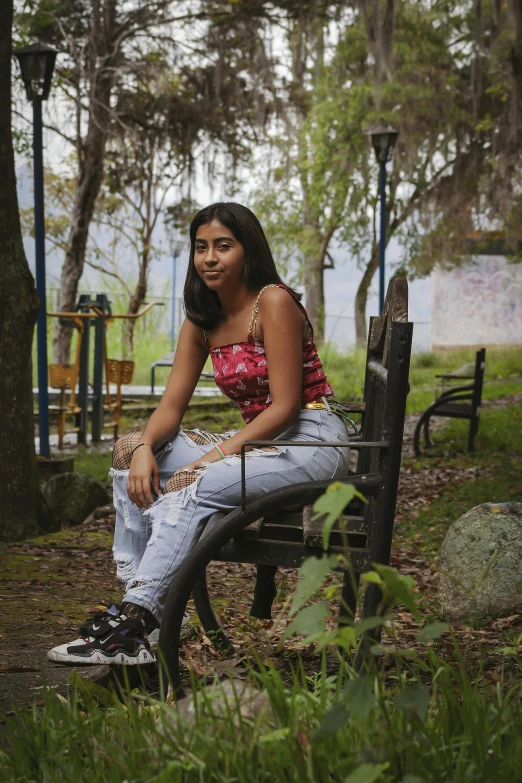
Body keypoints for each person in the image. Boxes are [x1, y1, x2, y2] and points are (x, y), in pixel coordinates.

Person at [48, 202, 350, 666]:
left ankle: (135, 623)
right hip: (259, 439)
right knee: (128, 450)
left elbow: (287, 407)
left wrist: (211, 460)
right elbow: (171, 407)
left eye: (223, 247)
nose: (210, 258)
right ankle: (148, 607)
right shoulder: (202, 318)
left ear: (247, 251)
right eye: (201, 247)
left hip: (310, 438)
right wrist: (147, 446)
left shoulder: (273, 301)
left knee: (192, 484)